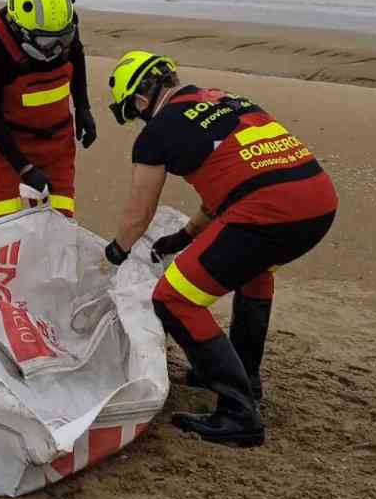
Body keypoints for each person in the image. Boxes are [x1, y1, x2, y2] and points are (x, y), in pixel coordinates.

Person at [102, 50, 337, 447]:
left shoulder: (156, 133)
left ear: (140, 99)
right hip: (317, 202)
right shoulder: (226, 99)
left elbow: (138, 215)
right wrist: (187, 235)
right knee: (253, 273)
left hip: (269, 210)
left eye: (134, 111)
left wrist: (115, 253)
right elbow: (236, 177)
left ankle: (239, 413)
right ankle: (246, 375)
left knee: (173, 297)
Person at [0, 0, 97, 222]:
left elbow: (76, 56)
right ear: (20, 28)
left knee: (59, 220)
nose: (57, 50)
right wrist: (24, 168)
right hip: (3, 141)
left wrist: (83, 108)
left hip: (57, 140)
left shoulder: (61, 22)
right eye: (48, 42)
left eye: (64, 40)